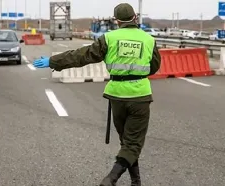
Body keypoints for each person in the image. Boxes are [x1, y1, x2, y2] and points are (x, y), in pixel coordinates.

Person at [33, 3, 161, 186]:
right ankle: (111, 179)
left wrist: (53, 61)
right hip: (140, 95)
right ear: (135, 17)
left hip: (117, 95)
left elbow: (81, 56)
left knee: (128, 142)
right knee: (132, 144)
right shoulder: (149, 40)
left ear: (117, 20)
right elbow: (155, 67)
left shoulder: (108, 38)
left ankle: (136, 182)